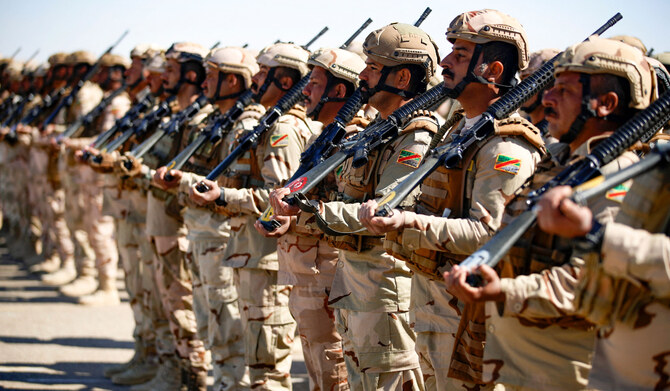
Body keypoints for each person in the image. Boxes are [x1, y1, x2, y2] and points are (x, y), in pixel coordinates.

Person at [442, 36, 656, 389]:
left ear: (605, 103)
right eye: (551, 87)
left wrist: (503, 291)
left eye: (565, 91)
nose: (547, 99)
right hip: (514, 363)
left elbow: (591, 281)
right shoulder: (559, 162)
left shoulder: (622, 180)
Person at [358, 10, 543, 390]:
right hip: (430, 306)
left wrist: (407, 222)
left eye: (459, 54)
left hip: (464, 320)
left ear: (491, 70)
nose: (444, 62)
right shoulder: (460, 129)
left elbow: (490, 234)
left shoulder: (505, 146)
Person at [274, 22, 441, 390]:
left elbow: (381, 213)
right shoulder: (375, 131)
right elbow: (344, 199)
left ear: (401, 77)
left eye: (373, 68)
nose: (362, 76)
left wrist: (306, 212)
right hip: (355, 287)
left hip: (385, 293)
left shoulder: (416, 136)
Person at [189, 42, 314, 390]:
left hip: (266, 258)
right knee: (257, 356)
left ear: (286, 82)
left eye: (263, 73)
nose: (255, 79)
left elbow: (283, 199)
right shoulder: (268, 122)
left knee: (268, 363)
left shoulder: (282, 129)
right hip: (251, 253)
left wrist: (225, 195)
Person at [256, 47, 367, 391]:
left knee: (334, 369)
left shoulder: (354, 141)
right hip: (307, 270)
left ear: (339, 91)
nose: (306, 90)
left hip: (328, 274)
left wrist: (295, 217)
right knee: (320, 368)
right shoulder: (325, 136)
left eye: (315, 83)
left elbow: (348, 210)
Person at [153, 45, 261, 391]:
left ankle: (232, 383)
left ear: (232, 80)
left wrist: (179, 180)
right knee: (208, 318)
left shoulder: (248, 124)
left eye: (212, 76)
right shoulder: (217, 119)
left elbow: (228, 185)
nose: (203, 82)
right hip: (201, 230)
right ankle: (221, 381)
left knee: (225, 319)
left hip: (221, 234)